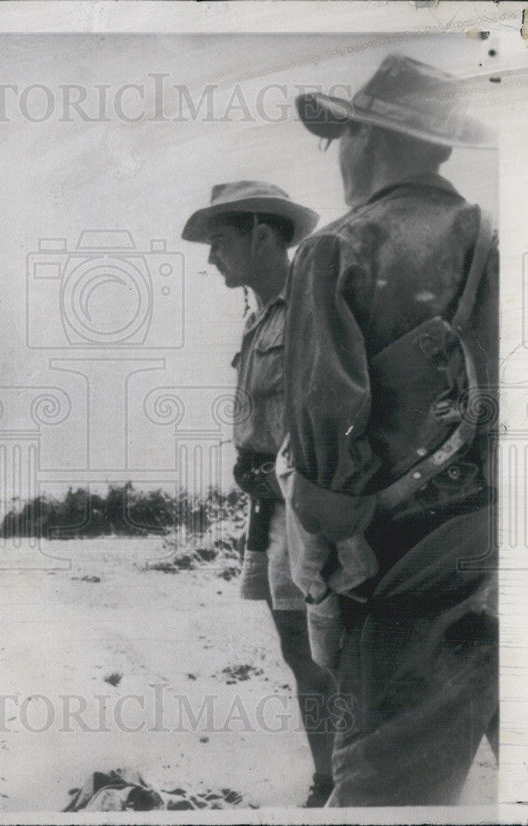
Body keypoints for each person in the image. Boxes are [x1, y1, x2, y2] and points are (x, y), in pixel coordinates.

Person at [285, 55, 499, 806]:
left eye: (342, 139)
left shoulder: (336, 249)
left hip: (406, 563)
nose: (340, 154)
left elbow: (325, 454)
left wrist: (322, 567)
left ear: (367, 141)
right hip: (514, 552)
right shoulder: (497, 238)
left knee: (383, 794)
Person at [182, 182, 337, 808]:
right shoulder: (259, 312)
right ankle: (328, 778)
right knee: (298, 649)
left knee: (332, 649)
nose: (211, 257)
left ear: (264, 236)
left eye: (220, 242)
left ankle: (355, 780)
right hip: (272, 506)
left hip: (311, 506)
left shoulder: (311, 305)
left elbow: (331, 409)